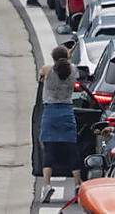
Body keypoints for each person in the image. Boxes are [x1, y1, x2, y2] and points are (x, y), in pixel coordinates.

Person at [38, 45, 82, 203]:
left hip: (50, 113)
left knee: (49, 149)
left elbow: (42, 74)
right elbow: (67, 66)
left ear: (54, 58)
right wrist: (68, 58)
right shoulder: (73, 70)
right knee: (72, 149)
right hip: (67, 112)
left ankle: (46, 185)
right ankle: (77, 184)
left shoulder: (47, 70)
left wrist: (64, 58)